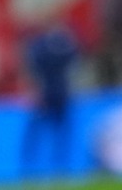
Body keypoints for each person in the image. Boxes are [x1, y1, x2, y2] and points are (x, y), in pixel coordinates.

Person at [19, 25, 79, 178]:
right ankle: (29, 167)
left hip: (59, 93)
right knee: (38, 131)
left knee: (59, 132)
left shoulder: (59, 42)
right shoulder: (44, 44)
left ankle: (59, 167)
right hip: (47, 92)